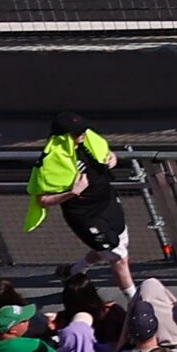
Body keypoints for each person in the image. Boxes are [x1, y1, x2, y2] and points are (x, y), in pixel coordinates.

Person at [24, 116, 128, 286]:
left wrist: (112, 157)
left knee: (115, 245)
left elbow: (105, 152)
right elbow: (42, 200)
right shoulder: (51, 162)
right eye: (78, 132)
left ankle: (74, 271)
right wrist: (73, 192)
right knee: (119, 257)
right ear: (64, 137)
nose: (84, 134)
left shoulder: (88, 142)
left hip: (107, 202)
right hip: (87, 215)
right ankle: (135, 302)